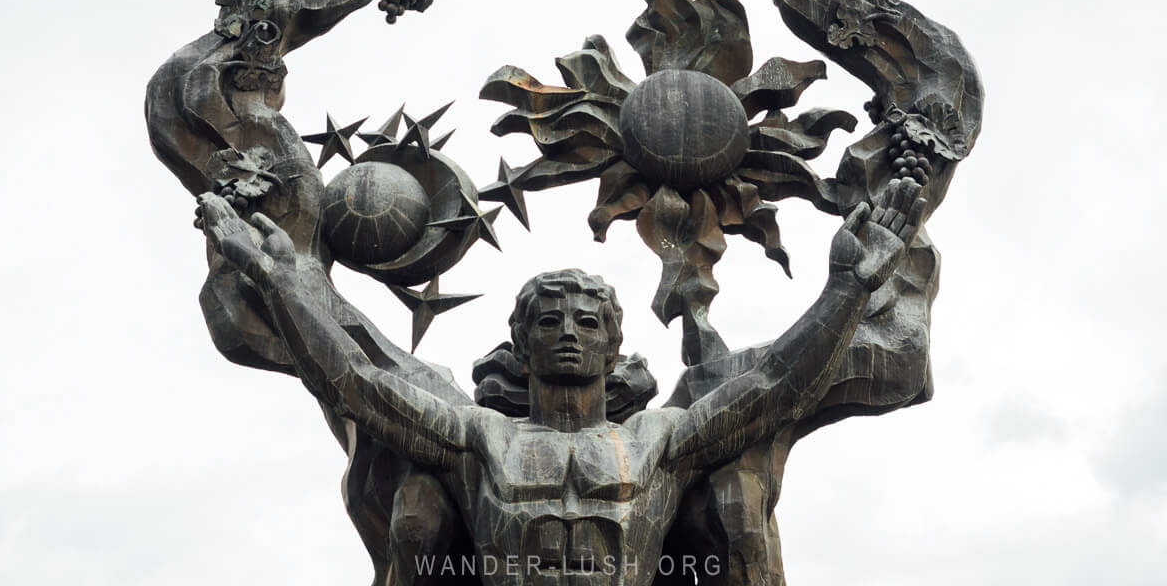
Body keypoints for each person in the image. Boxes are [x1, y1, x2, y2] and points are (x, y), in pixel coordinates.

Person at [197, 177, 925, 586]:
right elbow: (356, 385)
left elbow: (773, 386)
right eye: (549, 322)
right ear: (522, 341)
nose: (568, 333)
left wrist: (848, 289)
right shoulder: (482, 438)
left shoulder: (658, 439)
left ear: (614, 345)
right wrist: (276, 279)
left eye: (586, 322)